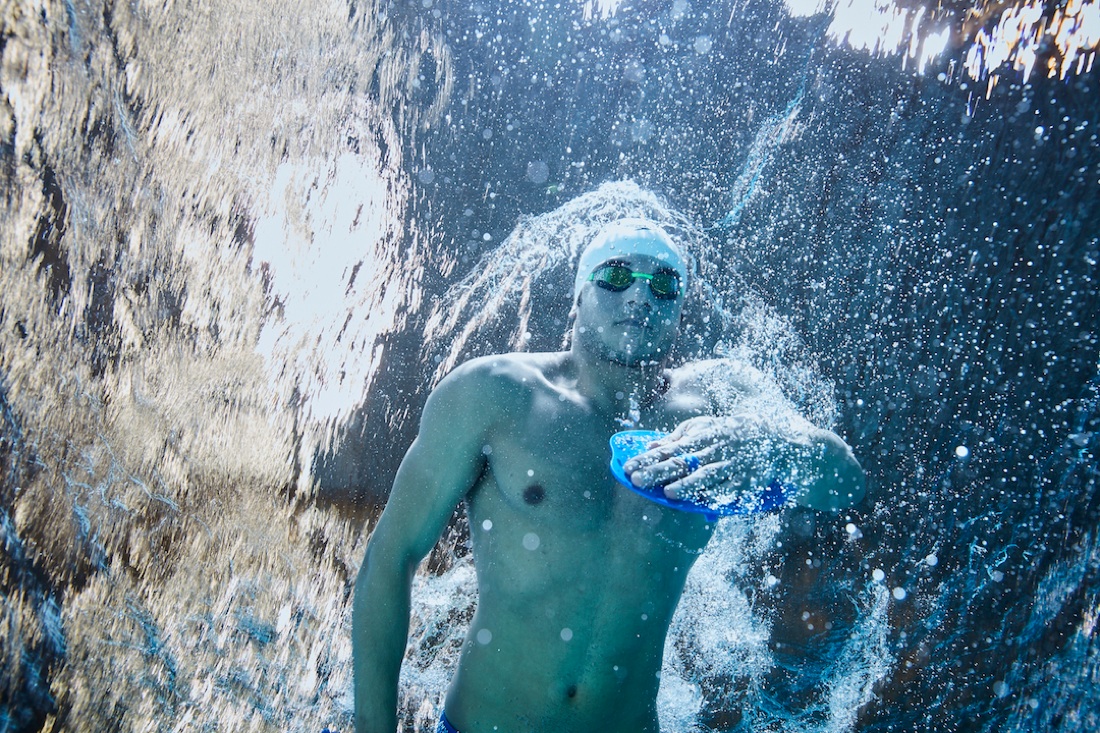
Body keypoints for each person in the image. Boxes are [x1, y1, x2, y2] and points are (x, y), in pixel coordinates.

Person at [352, 219, 865, 733]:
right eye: (616, 276)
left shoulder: (719, 402)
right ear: (578, 296)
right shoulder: (496, 395)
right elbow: (390, 556)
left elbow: (845, 483)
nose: (641, 296)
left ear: (680, 311)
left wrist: (772, 446)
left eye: (664, 284)